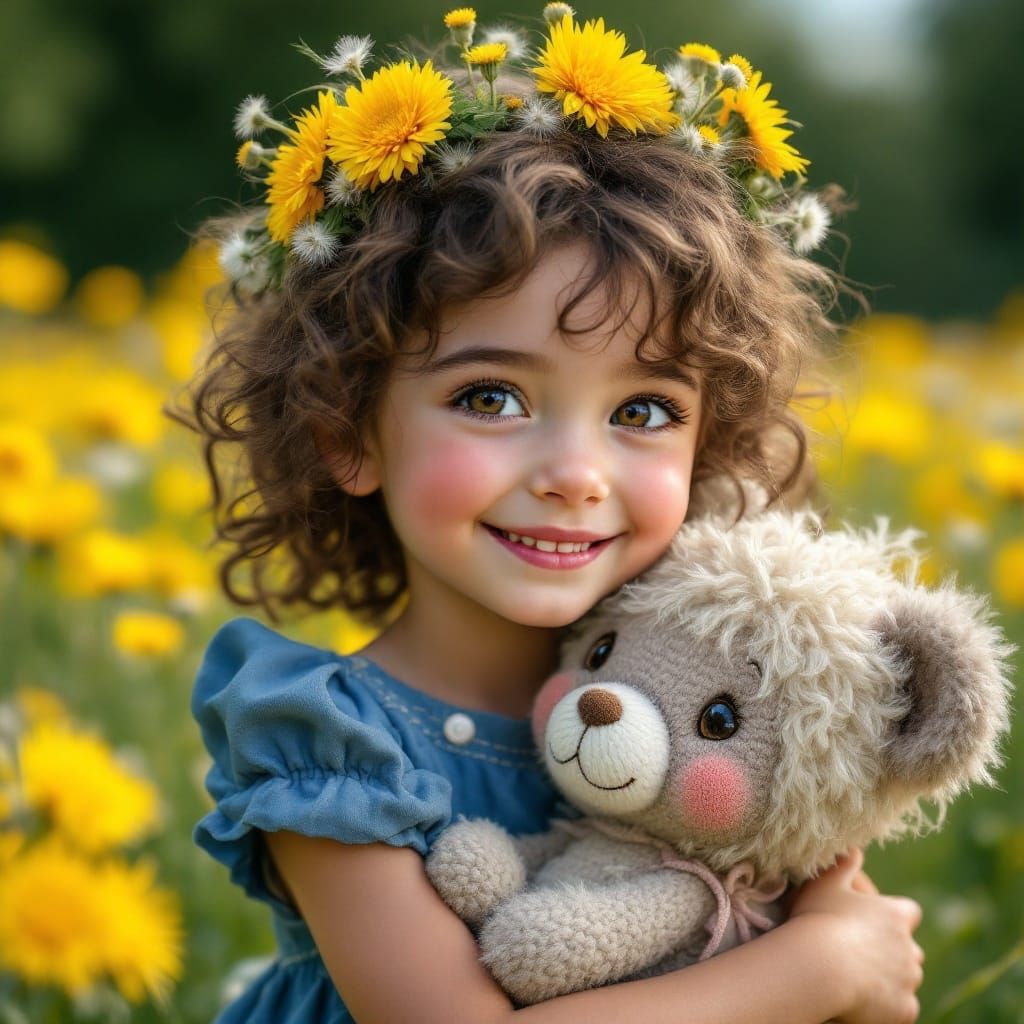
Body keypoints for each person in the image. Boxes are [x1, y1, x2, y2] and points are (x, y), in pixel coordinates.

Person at [181, 9, 924, 1022]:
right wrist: (820, 969)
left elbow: (844, 931)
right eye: (491, 397)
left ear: (707, 444)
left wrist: (846, 956)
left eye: (643, 411)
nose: (576, 474)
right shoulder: (330, 746)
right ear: (346, 432)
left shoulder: (731, 707)